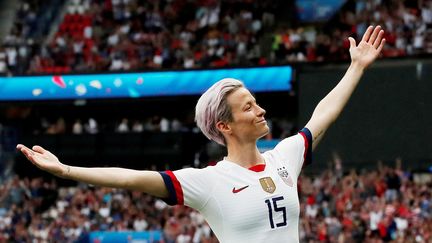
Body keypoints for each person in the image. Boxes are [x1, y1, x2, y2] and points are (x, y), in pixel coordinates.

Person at [16, 25, 385, 243]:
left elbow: (324, 114)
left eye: (257, 103)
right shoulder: (208, 182)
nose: (261, 111)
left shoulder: (284, 156)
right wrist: (67, 171)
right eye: (248, 107)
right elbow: (130, 178)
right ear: (224, 126)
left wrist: (356, 68)